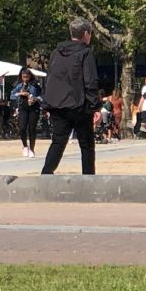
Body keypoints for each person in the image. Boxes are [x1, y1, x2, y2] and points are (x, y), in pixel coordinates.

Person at [40, 18, 99, 175]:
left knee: (58, 142)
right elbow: (90, 80)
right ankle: (88, 177)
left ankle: (46, 173)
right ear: (86, 34)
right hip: (79, 105)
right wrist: (94, 106)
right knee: (86, 145)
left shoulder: (56, 53)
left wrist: (47, 103)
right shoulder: (85, 53)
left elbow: (49, 78)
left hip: (57, 104)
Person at [10, 68, 42, 158]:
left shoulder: (35, 85)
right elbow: (12, 95)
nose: (25, 79)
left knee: (32, 129)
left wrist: (35, 99)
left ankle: (32, 149)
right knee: (22, 128)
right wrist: (20, 94)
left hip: (33, 108)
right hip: (22, 108)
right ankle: (25, 146)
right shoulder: (18, 85)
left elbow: (42, 95)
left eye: (27, 77)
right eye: (23, 77)